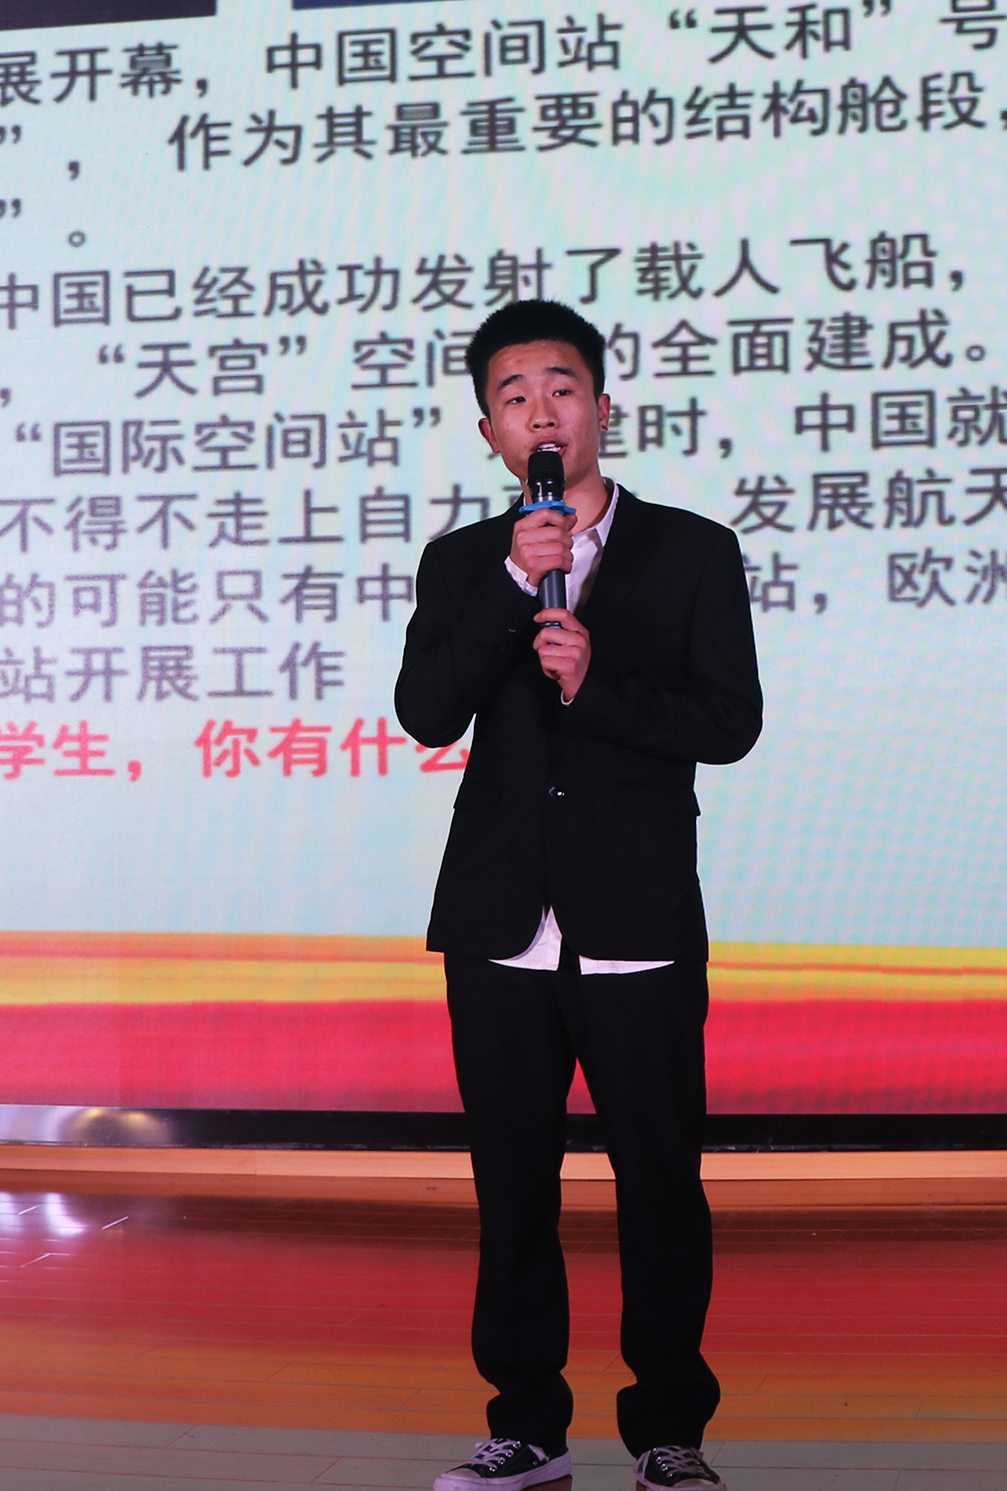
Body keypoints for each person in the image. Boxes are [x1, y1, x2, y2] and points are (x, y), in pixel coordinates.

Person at [396, 300, 764, 1491]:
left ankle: (666, 1429)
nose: (539, 412)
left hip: (633, 919)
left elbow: (729, 721)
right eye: (512, 397)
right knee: (511, 1187)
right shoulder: (464, 563)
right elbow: (425, 711)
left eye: (560, 388)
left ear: (601, 408)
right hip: (499, 923)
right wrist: (516, 582)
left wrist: (597, 683)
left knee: (658, 1182)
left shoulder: (691, 550)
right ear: (490, 433)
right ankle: (525, 1425)